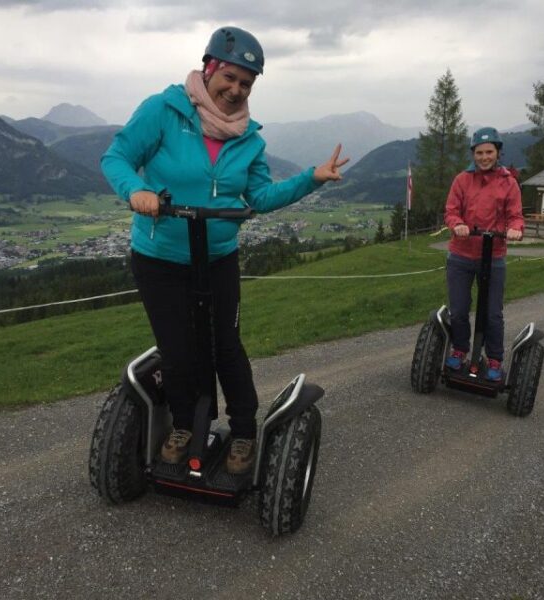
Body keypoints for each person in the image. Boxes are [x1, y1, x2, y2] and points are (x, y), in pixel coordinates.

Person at [101, 26, 348, 474]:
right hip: (160, 258)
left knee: (225, 345)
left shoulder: (250, 140)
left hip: (216, 259)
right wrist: (136, 189)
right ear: (209, 68)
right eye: (229, 78)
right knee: (176, 349)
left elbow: (260, 197)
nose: (235, 90)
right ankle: (183, 425)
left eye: (246, 84)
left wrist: (311, 178)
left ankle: (244, 432)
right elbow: (115, 156)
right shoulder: (163, 110)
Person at [443, 127, 524, 380]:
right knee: (458, 309)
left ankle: (495, 359)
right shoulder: (462, 180)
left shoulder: (509, 183)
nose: (484, 157)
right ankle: (459, 350)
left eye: (489, 152)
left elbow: (515, 216)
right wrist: (457, 224)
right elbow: (451, 210)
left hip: (494, 255)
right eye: (479, 152)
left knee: (492, 312)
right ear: (473, 154)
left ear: (498, 153)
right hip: (461, 254)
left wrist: (514, 229)